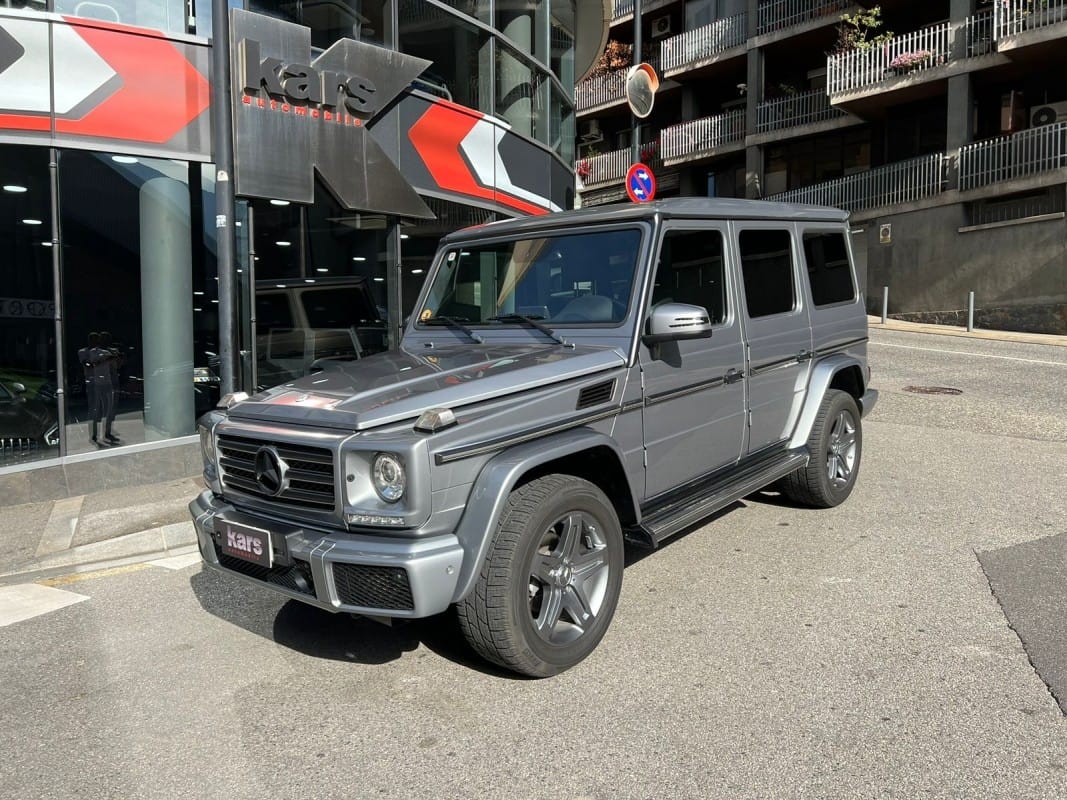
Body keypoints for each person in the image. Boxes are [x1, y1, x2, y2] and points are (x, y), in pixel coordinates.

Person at [77, 332, 99, 440]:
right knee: (92, 407)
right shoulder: (83, 352)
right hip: (91, 381)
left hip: (103, 381)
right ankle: (92, 432)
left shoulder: (101, 352)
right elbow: (86, 363)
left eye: (96, 340)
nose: (94, 342)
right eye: (92, 339)